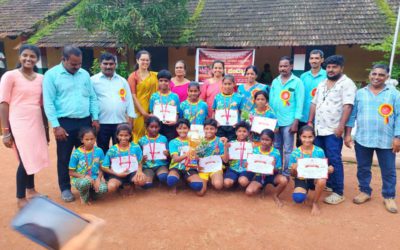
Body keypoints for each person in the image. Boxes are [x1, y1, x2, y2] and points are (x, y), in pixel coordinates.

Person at [43, 45, 99, 202]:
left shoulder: (84, 74)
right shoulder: (51, 75)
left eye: (79, 64)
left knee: (87, 154)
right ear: (64, 59)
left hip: (85, 121)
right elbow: (49, 103)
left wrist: (95, 118)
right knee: (64, 157)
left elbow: (92, 97)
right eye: (73, 64)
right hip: (64, 123)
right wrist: (56, 125)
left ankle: (89, 184)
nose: (77, 67)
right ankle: (66, 188)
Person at [345, 64, 400, 213]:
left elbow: (399, 116)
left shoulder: (394, 94)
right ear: (369, 75)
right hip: (363, 138)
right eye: (374, 74)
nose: (377, 77)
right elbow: (352, 115)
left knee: (388, 170)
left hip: (386, 140)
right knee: (363, 167)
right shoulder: (360, 93)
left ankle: (388, 196)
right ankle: (365, 191)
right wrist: (348, 134)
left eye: (381, 75)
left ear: (387, 77)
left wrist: (397, 137)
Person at [0, 44, 50, 208]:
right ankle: (20, 197)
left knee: (33, 156)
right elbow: (4, 104)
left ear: (37, 59)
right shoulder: (10, 76)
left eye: (32, 56)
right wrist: (5, 131)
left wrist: (46, 129)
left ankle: (31, 190)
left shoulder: (41, 78)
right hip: (19, 122)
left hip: (35, 122)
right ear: (20, 57)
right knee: (25, 159)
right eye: (25, 55)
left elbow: (42, 105)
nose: (28, 59)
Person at [308, 55, 357, 205]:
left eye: (334, 67)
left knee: (334, 158)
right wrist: (310, 121)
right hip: (318, 128)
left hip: (333, 129)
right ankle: (328, 184)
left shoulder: (347, 84)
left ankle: (338, 191)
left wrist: (341, 126)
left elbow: (347, 106)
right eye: (328, 67)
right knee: (321, 157)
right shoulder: (323, 83)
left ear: (341, 68)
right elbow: (314, 103)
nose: (331, 69)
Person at [91, 52, 136, 154]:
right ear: (100, 65)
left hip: (120, 122)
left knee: (121, 149)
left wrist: (131, 121)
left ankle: (120, 169)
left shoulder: (122, 81)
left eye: (111, 64)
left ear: (115, 65)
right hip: (101, 123)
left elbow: (128, 100)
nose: (108, 66)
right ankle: (105, 170)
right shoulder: (93, 81)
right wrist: (93, 119)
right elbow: (90, 101)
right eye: (105, 63)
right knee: (103, 150)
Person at [269, 56, 304, 177]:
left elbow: (300, 103)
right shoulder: (275, 81)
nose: (282, 68)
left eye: (285, 66)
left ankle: (286, 172)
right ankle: (278, 169)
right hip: (275, 121)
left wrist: (296, 121)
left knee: (288, 149)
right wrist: (271, 119)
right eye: (280, 66)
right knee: (277, 146)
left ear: (291, 67)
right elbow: (271, 101)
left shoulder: (297, 82)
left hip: (289, 121)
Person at [290, 126, 334, 215]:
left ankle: (315, 203)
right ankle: (304, 191)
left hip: (315, 178)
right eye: (304, 137)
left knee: (322, 181)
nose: (307, 140)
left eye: (310, 137)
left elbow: (323, 168)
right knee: (298, 198)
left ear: (314, 137)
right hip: (301, 178)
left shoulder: (319, 151)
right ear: (299, 137)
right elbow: (293, 175)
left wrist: (328, 169)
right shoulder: (295, 153)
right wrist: (294, 169)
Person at [245, 129, 288, 207]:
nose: (264, 142)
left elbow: (278, 169)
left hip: (272, 176)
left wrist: (273, 167)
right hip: (259, 175)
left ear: (272, 141)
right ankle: (261, 187)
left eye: (267, 140)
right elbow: (251, 167)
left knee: (284, 180)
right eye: (262, 139)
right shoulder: (255, 151)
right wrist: (248, 165)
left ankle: (276, 195)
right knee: (249, 192)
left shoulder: (276, 152)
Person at [101, 123, 146, 193]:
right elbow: (104, 167)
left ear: (130, 136)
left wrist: (139, 171)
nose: (123, 138)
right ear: (117, 136)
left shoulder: (135, 147)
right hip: (117, 174)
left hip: (132, 172)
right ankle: (118, 186)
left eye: (126, 135)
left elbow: (140, 160)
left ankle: (132, 185)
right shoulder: (112, 150)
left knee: (141, 181)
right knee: (111, 187)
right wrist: (116, 174)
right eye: (121, 135)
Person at [69, 127, 107, 204]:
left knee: (103, 189)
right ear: (82, 140)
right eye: (87, 139)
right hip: (80, 179)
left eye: (92, 139)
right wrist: (84, 177)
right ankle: (84, 198)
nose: (90, 141)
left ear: (95, 139)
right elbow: (71, 172)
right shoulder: (77, 154)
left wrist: (98, 179)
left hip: (94, 178)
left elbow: (101, 168)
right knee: (85, 183)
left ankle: (91, 193)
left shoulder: (99, 151)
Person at [128, 50, 158, 143]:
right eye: (142, 60)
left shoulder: (155, 75)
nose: (145, 62)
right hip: (138, 111)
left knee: (152, 134)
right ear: (137, 61)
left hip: (153, 110)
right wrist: (144, 113)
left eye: (147, 60)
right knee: (138, 135)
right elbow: (133, 96)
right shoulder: (133, 76)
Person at [167, 119, 204, 193]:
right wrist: (187, 154)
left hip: (190, 167)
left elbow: (199, 157)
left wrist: (196, 157)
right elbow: (175, 159)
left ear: (189, 129)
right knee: (171, 180)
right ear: (176, 129)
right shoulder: (173, 142)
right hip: (176, 166)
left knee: (198, 185)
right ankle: (177, 181)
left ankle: (187, 180)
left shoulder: (194, 141)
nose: (182, 131)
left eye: (185, 128)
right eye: (179, 128)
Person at [298, 50, 326, 147]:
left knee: (318, 147)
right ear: (309, 60)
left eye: (317, 58)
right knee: (301, 146)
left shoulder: (327, 76)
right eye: (312, 58)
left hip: (320, 119)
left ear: (322, 60)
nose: (314, 61)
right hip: (303, 117)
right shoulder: (303, 76)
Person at [197, 118, 229, 196]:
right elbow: (195, 158)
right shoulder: (198, 141)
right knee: (200, 192)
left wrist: (225, 146)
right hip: (203, 168)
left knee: (218, 185)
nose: (209, 131)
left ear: (216, 130)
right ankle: (205, 182)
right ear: (203, 129)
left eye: (212, 129)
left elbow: (225, 161)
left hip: (215, 168)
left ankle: (214, 179)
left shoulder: (220, 141)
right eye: (206, 129)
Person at [149, 69, 180, 141]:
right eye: (161, 80)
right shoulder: (154, 96)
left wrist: (175, 121)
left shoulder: (175, 96)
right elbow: (151, 112)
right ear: (158, 82)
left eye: (166, 81)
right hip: (156, 127)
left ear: (169, 82)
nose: (163, 83)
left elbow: (177, 113)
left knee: (169, 147)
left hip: (170, 127)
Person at [138, 116, 169, 188]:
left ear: (159, 127)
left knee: (163, 177)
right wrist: (142, 159)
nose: (154, 129)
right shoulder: (142, 140)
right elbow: (138, 156)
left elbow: (168, 153)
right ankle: (152, 177)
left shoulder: (163, 138)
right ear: (146, 127)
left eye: (156, 127)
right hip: (147, 166)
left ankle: (158, 177)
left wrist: (167, 154)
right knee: (146, 185)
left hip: (161, 164)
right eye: (151, 127)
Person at [223, 121, 254, 189]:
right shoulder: (231, 144)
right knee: (226, 183)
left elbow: (254, 160)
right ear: (236, 132)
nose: (242, 133)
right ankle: (235, 181)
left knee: (243, 182)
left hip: (246, 169)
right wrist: (225, 147)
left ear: (248, 133)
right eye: (239, 131)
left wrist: (250, 163)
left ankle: (244, 180)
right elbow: (225, 161)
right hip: (233, 169)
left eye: (244, 131)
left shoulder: (251, 145)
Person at [212, 74, 243, 141]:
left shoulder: (239, 97)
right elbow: (214, 112)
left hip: (233, 127)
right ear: (222, 84)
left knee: (232, 146)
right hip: (220, 127)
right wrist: (214, 124)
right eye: (225, 84)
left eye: (229, 84)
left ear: (234, 84)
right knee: (220, 146)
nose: (227, 86)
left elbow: (242, 113)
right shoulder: (217, 97)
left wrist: (239, 124)